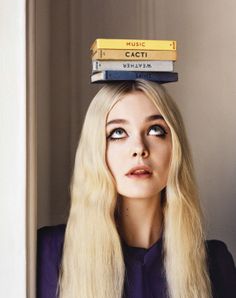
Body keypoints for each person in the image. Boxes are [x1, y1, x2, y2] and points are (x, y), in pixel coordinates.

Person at [37, 79, 236, 298]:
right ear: (96, 151)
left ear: (175, 148)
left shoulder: (214, 264)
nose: (139, 149)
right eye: (118, 133)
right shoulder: (50, 254)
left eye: (155, 130)